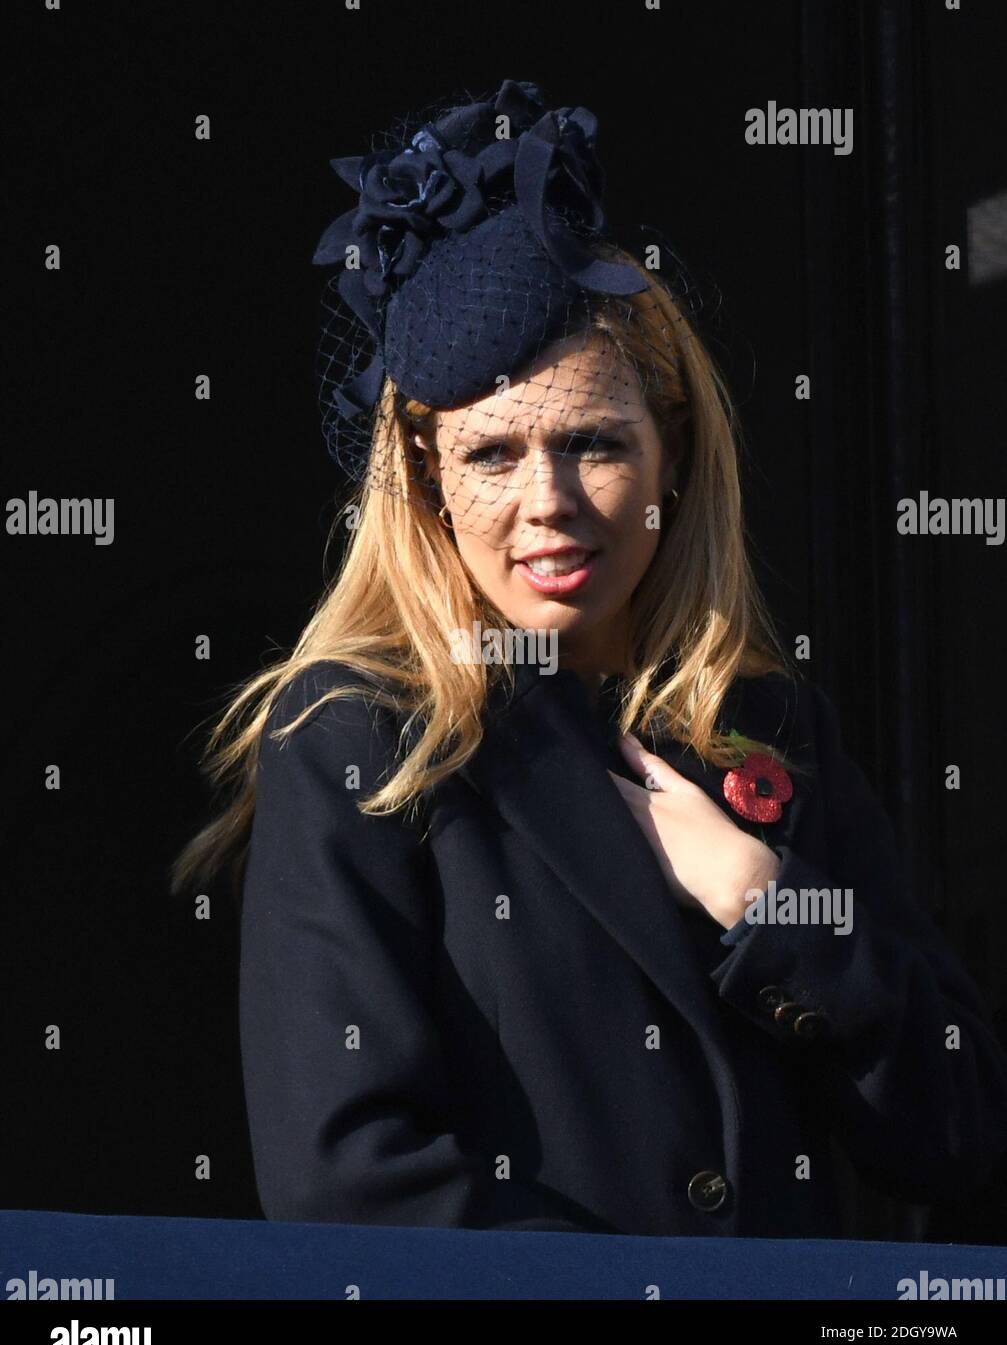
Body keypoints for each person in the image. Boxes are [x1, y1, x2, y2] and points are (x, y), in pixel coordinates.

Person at [172, 78, 1007, 1237]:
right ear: (422, 481)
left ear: (671, 451)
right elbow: (349, 1181)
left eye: (593, 444)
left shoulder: (766, 718)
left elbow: (959, 1129)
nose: (547, 503)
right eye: (491, 454)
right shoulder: (363, 730)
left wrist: (771, 906)